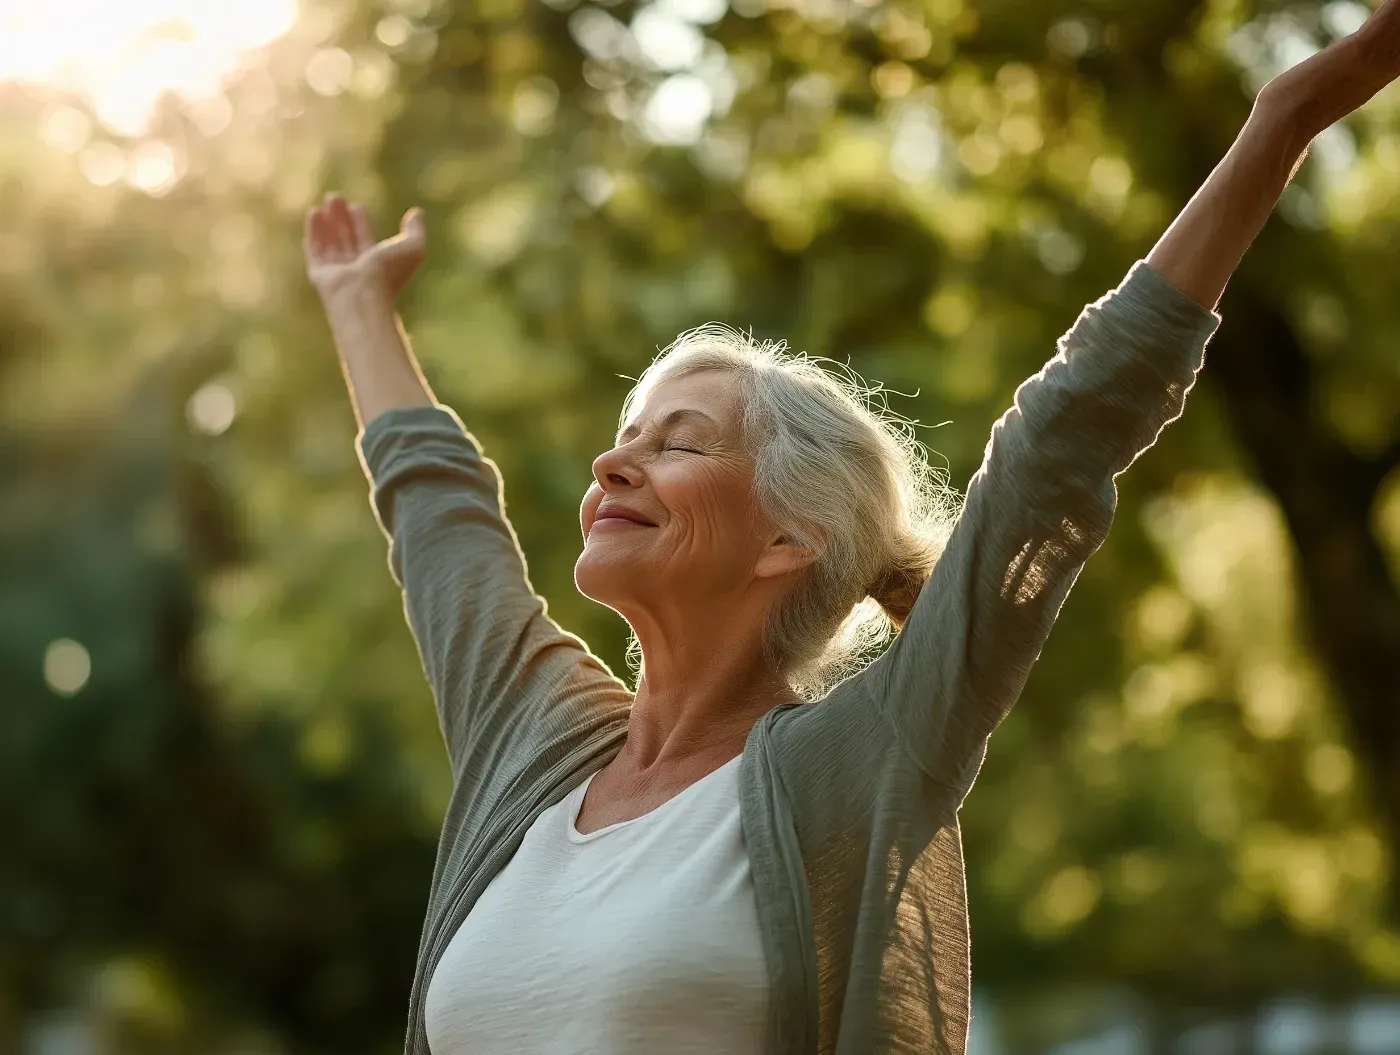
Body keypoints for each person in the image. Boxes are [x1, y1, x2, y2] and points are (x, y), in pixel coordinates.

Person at [304, 5, 1400, 1052]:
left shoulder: (857, 758)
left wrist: (1286, 119)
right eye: (624, 433)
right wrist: (358, 303)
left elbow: (1058, 443)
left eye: (676, 442)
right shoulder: (531, 747)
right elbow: (444, 524)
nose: (610, 461)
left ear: (788, 538)